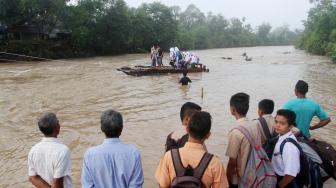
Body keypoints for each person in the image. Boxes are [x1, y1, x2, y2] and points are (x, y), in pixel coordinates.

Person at [156, 111, 229, 188]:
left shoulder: (169, 156)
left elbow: (162, 186)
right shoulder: (215, 163)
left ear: (187, 129)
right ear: (208, 135)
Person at [81, 110, 144, 188]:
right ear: (121, 129)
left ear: (102, 128)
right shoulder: (134, 153)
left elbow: (87, 186)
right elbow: (136, 186)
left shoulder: (90, 155)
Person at [28, 112, 72, 188]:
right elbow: (57, 181)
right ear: (57, 128)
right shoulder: (63, 150)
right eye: (58, 123)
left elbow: (32, 177)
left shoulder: (33, 150)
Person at [225, 92, 259, 187]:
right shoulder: (255, 125)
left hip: (240, 179)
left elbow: (232, 162)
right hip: (254, 174)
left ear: (233, 109)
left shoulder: (235, 131)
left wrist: (226, 179)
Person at [272, 109, 300, 188]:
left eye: (282, 123)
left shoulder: (289, 147)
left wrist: (280, 186)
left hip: (285, 181)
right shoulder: (280, 136)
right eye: (276, 122)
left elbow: (291, 174)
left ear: (290, 126)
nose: (277, 125)